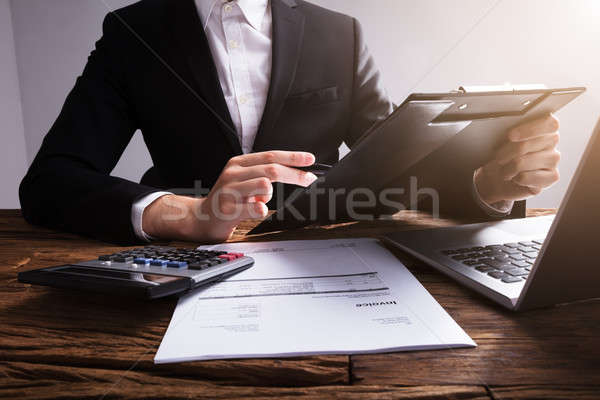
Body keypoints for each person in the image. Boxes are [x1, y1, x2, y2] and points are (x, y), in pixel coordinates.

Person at [19, 0, 560, 245]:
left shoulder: (339, 32)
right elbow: (51, 182)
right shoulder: (131, 32)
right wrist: (185, 214)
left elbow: (395, 165)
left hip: (334, 252)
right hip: (184, 260)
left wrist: (486, 184)